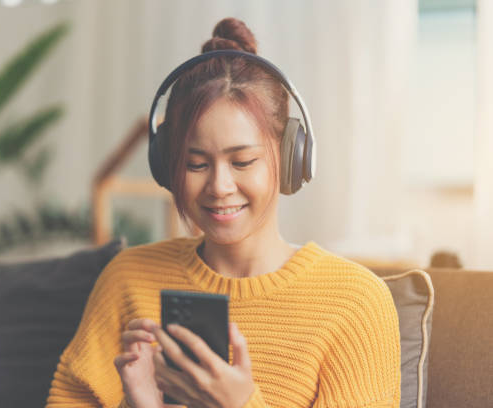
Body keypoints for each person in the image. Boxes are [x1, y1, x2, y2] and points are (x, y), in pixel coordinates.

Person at [46, 17, 400, 408]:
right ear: (168, 166)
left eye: (243, 161)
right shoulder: (128, 279)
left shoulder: (355, 302)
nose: (219, 186)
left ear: (289, 158)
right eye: (196, 164)